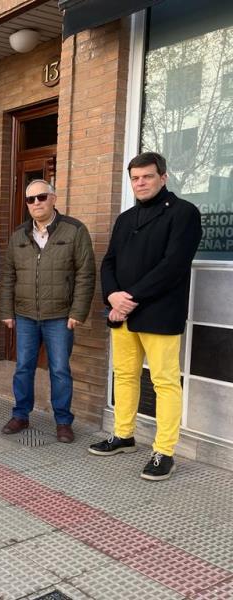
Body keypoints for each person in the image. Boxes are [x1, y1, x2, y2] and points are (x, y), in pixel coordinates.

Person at [89, 152, 201, 481]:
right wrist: (112, 295)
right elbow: (108, 262)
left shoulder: (184, 213)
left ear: (163, 177)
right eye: (135, 178)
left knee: (164, 382)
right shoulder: (126, 218)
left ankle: (164, 451)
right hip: (122, 313)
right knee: (125, 375)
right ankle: (123, 435)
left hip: (159, 313)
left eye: (147, 176)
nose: (140, 183)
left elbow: (173, 265)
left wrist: (130, 298)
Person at [0, 180, 96, 443]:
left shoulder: (74, 230)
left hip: (60, 316)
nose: (36, 203)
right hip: (25, 315)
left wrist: (78, 312)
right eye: (30, 199)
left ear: (54, 198)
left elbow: (85, 274)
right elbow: (8, 276)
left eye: (41, 197)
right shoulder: (19, 234)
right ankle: (20, 415)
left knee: (60, 370)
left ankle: (63, 421)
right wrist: (6, 311)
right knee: (23, 368)